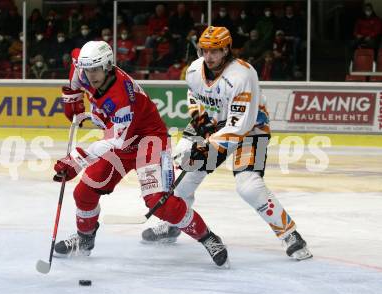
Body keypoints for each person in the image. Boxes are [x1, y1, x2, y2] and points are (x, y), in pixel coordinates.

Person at [141, 26, 312, 261]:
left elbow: (238, 127)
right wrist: (200, 123)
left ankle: (291, 235)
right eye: (204, 51)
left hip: (250, 130)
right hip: (214, 125)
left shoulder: (242, 75)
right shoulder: (193, 70)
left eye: (214, 51)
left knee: (249, 186)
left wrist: (205, 148)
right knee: (183, 180)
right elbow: (194, 96)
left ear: (226, 49)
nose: (208, 57)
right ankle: (175, 224)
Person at [52, 40, 229, 267]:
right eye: (87, 70)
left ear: (107, 66)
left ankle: (208, 238)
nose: (90, 75)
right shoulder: (82, 67)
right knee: (84, 192)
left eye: (95, 70)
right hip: (121, 140)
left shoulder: (120, 97)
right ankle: (85, 240)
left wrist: (76, 160)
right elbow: (75, 66)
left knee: (160, 203)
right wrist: (72, 97)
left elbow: (116, 141)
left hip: (149, 140)